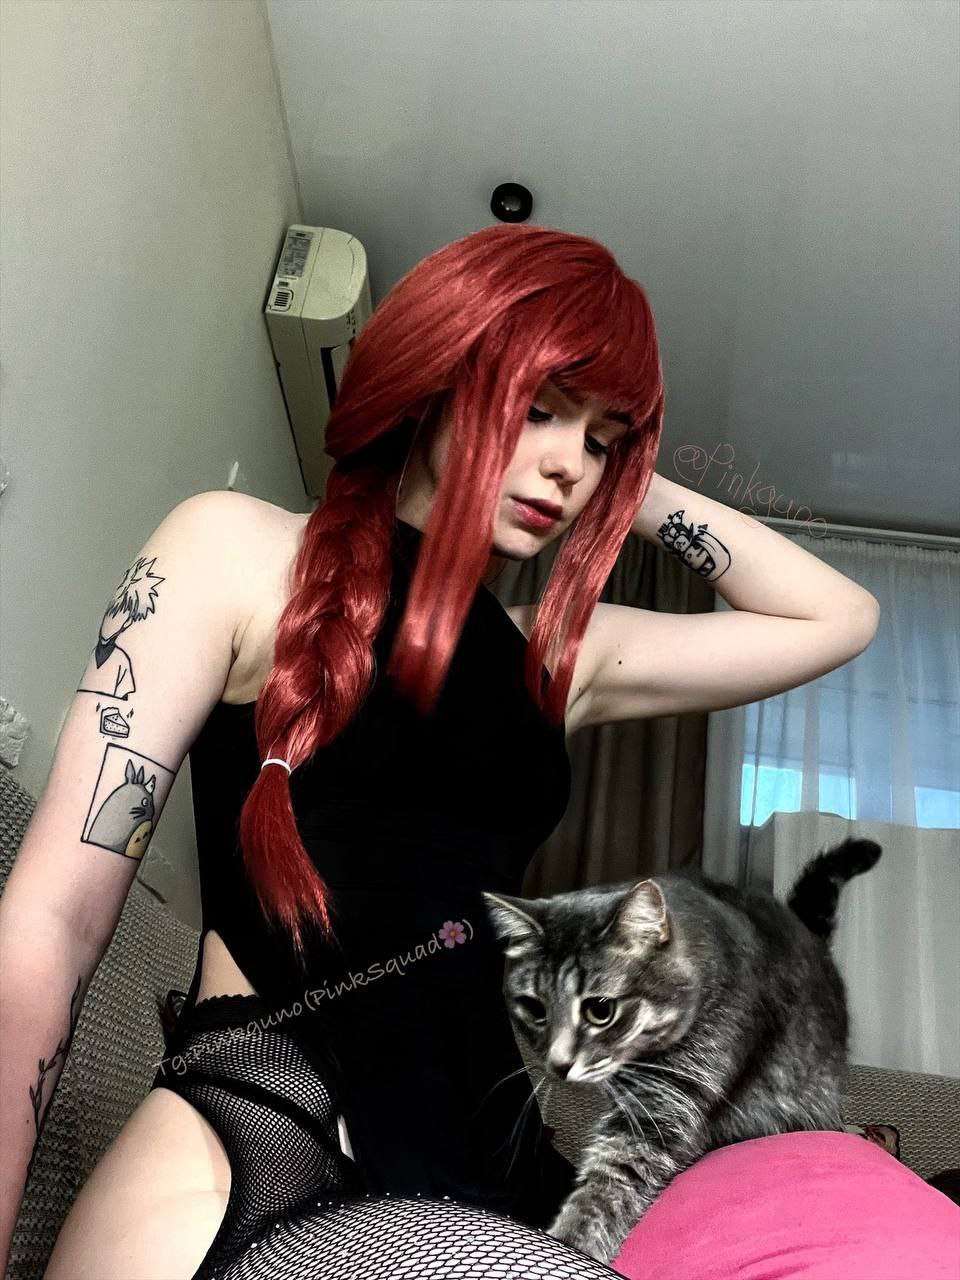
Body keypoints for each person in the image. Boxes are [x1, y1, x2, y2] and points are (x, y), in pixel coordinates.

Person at [2, 224, 952, 1280]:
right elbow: (54, 920)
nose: (568, 463)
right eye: (538, 406)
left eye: (600, 439)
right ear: (436, 374)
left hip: (494, 1167)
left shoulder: (558, 658)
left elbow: (838, 617)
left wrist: (632, 478)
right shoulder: (235, 548)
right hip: (268, 1131)